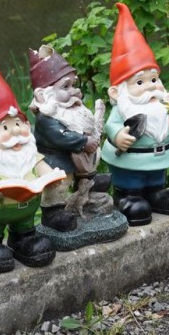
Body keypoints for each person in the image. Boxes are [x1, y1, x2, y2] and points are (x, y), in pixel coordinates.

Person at [0, 27, 60, 274]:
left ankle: (24, 238)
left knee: (28, 232)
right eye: (5, 127)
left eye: (19, 124)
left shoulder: (27, 152)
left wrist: (50, 177)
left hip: (24, 209)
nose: (16, 132)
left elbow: (41, 166)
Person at [100, 3, 169, 225]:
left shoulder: (164, 106)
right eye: (139, 82)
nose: (151, 87)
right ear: (116, 91)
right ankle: (127, 197)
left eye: (154, 79)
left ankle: (156, 194)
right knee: (133, 189)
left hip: (159, 160)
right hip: (129, 162)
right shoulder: (123, 108)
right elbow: (111, 126)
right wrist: (118, 135)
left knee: (158, 182)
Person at [27, 44, 113, 231]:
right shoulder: (46, 118)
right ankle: (53, 213)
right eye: (66, 86)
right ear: (44, 94)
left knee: (84, 170)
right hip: (56, 161)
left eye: (73, 85)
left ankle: (87, 189)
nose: (74, 91)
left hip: (76, 158)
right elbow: (61, 136)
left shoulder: (69, 110)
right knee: (59, 185)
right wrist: (83, 141)